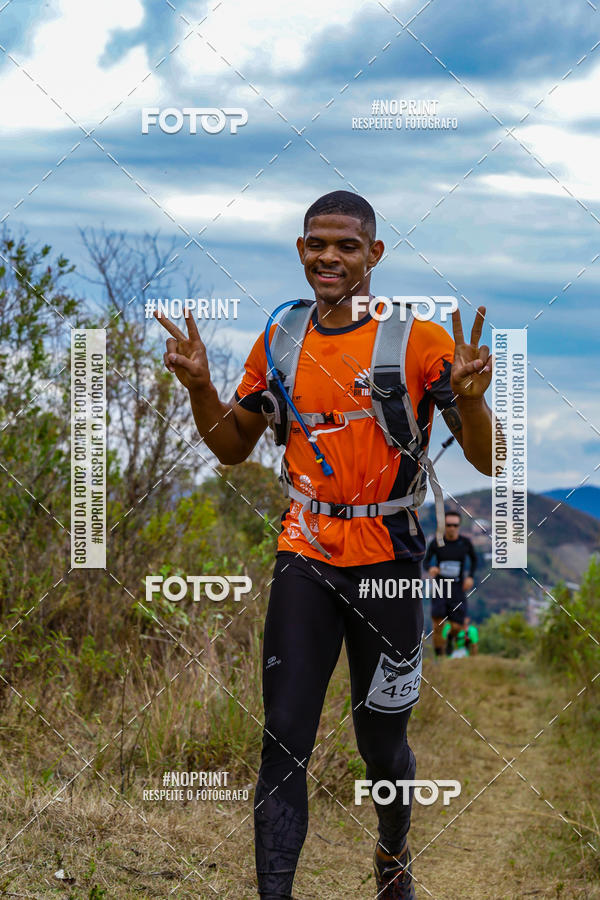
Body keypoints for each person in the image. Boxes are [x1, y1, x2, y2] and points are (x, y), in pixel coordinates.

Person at [156, 190, 495, 899]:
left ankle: (392, 858)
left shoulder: (419, 341)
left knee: (382, 745)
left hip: (393, 562)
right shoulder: (281, 338)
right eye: (316, 243)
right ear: (300, 249)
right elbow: (229, 446)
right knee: (282, 737)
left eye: (346, 245)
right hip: (305, 554)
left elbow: (490, 462)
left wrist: (467, 398)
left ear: (374, 254)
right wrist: (201, 388)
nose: (328, 257)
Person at [424, 510, 477, 657]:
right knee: (438, 623)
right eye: (448, 525)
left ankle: (450, 638)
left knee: (458, 625)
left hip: (457, 588)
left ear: (459, 526)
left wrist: (470, 577)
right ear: (443, 526)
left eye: (455, 525)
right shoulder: (437, 542)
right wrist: (431, 568)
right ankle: (439, 657)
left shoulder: (465, 543)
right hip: (440, 587)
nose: (452, 528)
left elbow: (474, 560)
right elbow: (426, 561)